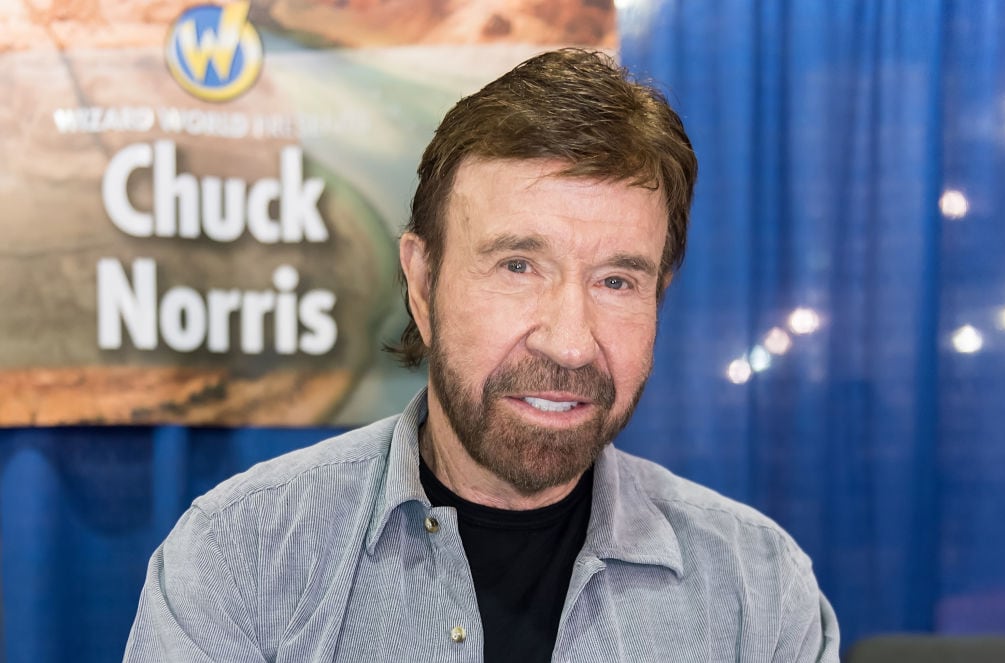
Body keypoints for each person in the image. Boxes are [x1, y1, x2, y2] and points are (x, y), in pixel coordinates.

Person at [124, 48, 840, 662]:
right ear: (423, 282)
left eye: (617, 280)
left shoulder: (758, 590)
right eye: (518, 266)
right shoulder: (242, 556)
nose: (569, 339)